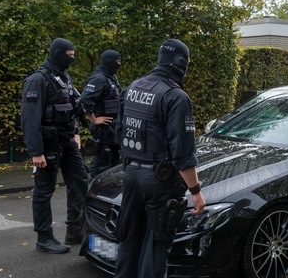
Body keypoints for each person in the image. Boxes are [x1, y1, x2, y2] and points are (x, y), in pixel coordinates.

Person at [114, 39, 205, 278]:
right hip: (158, 182)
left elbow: (119, 133)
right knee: (156, 248)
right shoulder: (176, 97)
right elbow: (183, 153)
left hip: (130, 174)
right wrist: (195, 191)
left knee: (129, 242)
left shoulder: (132, 88)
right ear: (181, 63)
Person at [20, 38, 90, 254]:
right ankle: (44, 238)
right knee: (44, 190)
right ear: (58, 53)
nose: (72, 59)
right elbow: (29, 119)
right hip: (48, 145)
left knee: (80, 181)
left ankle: (74, 230)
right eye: (69, 55)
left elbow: (70, 106)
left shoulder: (62, 77)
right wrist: (36, 151)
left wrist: (76, 131)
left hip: (67, 140)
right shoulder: (37, 80)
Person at [81, 50, 122, 177]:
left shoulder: (111, 77)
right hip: (102, 129)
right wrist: (93, 119)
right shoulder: (98, 78)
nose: (119, 64)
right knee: (101, 164)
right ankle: (95, 192)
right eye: (117, 61)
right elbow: (85, 100)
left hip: (112, 127)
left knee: (115, 163)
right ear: (109, 62)